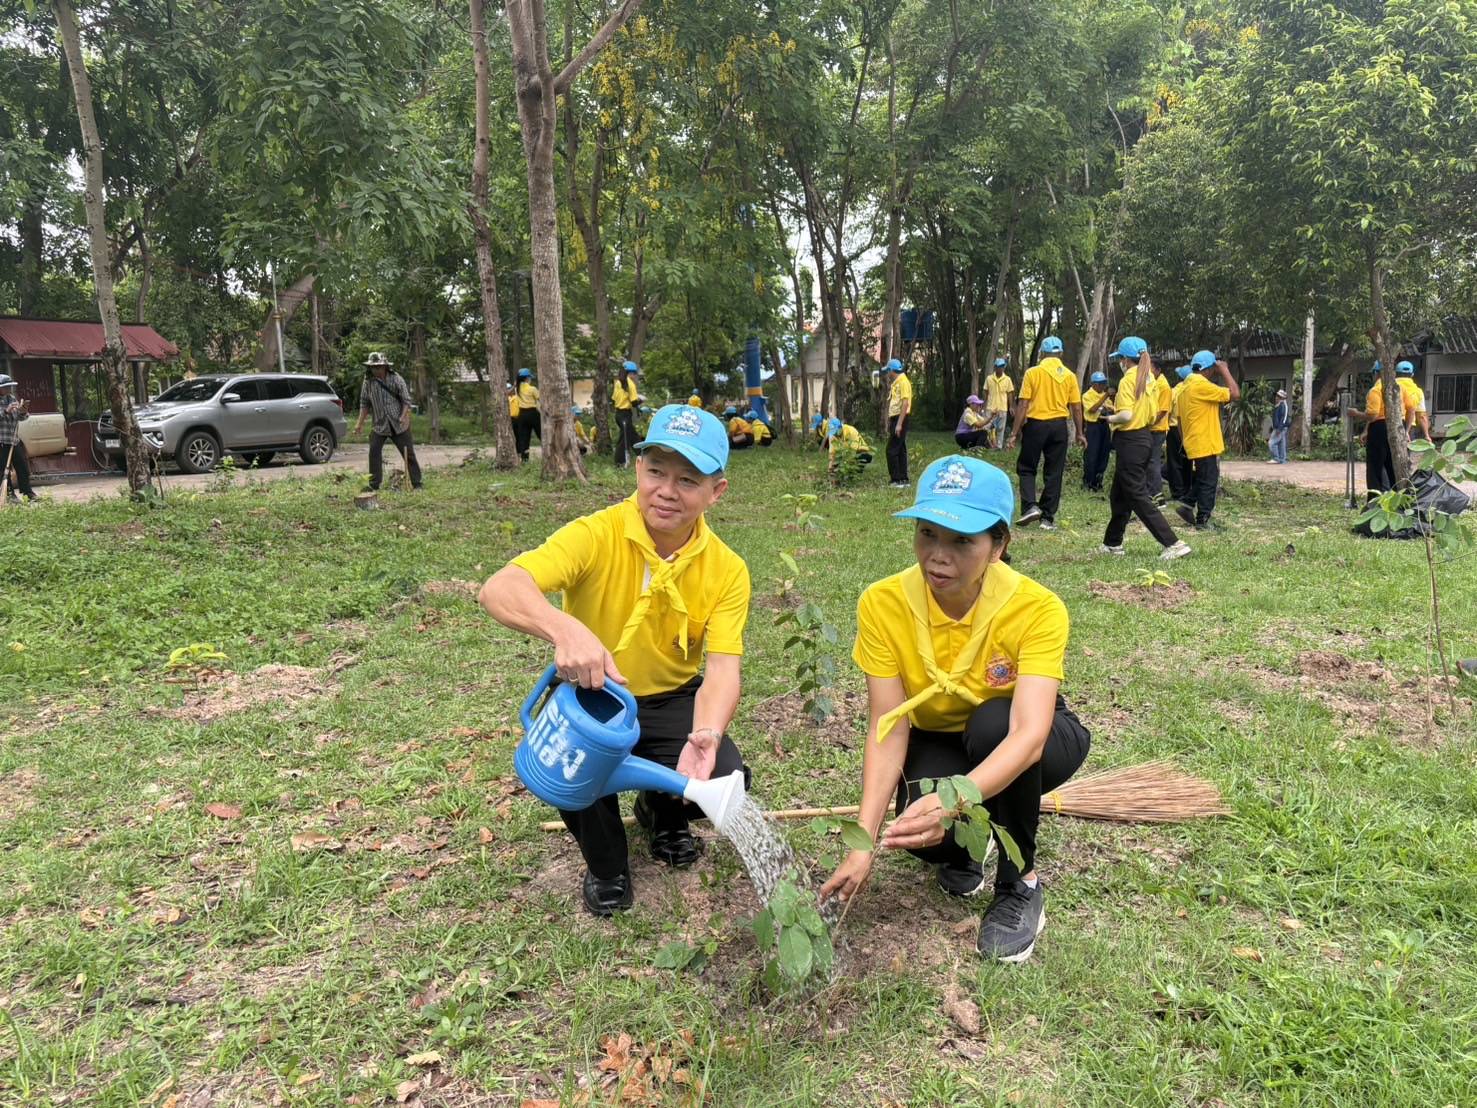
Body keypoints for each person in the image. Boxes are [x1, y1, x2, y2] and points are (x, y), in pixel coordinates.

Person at [479, 405, 750, 915]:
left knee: (721, 774)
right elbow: (500, 588)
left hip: (672, 698)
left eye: (688, 479)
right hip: (592, 698)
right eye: (655, 472)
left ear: (717, 492)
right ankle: (606, 865)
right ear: (637, 469)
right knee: (568, 767)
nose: (666, 491)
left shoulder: (727, 570)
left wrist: (708, 733)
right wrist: (564, 628)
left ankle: (662, 812)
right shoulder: (595, 535)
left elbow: (721, 670)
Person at [819, 455, 1090, 962]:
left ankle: (1021, 885)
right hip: (938, 735)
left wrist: (955, 799)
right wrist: (863, 841)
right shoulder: (882, 603)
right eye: (928, 534)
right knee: (923, 839)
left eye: (962, 541)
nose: (938, 557)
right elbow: (889, 725)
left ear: (999, 545)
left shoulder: (1037, 608)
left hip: (1031, 733)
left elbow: (1029, 735)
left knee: (993, 724)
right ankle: (969, 845)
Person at [1100, 338, 1190, 560]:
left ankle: (1173, 543)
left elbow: (1126, 415)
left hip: (1130, 439)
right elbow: (1151, 414)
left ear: (1124, 359)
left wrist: (1108, 418)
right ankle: (1113, 544)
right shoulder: (1150, 379)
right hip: (1144, 437)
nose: (1119, 363)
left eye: (1119, 359)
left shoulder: (1128, 381)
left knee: (1138, 494)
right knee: (1119, 495)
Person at [1005, 337, 1086, 531]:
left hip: (1036, 426)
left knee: (1026, 466)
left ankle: (1030, 506)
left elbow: (1023, 404)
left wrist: (1014, 433)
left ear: (1042, 353)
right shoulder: (1069, 375)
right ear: (1060, 354)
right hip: (1059, 427)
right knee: (1054, 471)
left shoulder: (1033, 373)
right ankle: (1047, 518)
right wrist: (1080, 433)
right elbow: (1076, 407)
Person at [1174, 350, 1239, 531]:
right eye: (1214, 370)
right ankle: (1203, 520)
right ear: (1209, 369)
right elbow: (1235, 394)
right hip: (1205, 441)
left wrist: (1186, 440)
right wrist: (1225, 370)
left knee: (1203, 478)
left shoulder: (1184, 388)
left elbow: (1179, 420)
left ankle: (1186, 504)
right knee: (1210, 480)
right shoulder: (1201, 385)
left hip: (1193, 441)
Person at [352, 352, 423, 492]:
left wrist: (403, 416)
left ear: (385, 366)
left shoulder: (396, 379)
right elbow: (364, 403)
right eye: (373, 367)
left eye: (378, 367)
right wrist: (359, 424)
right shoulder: (368, 382)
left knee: (408, 453)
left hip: (398, 423)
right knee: (374, 452)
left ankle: (417, 483)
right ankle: (374, 484)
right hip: (379, 424)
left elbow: (406, 401)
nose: (375, 370)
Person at [0, 375, 38, 502]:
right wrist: (6, 411)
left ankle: (28, 493)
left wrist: (23, 411)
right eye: (5, 387)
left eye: (9, 387)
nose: (8, 389)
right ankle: (10, 495)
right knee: (4, 469)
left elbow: (20, 418)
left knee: (22, 467)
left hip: (13, 440)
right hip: (1, 441)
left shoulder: (11, 398)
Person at [1164, 366, 1193, 502]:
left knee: (1174, 462)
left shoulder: (1174, 391)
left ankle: (1177, 492)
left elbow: (1167, 411)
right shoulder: (1192, 390)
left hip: (1175, 428)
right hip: (1190, 429)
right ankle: (1187, 490)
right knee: (1188, 460)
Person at [1080, 371, 1113, 492]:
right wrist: (1105, 398)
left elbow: (1111, 409)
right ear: (1093, 384)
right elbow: (1093, 409)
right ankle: (1088, 482)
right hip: (1093, 427)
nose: (1102, 386)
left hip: (1104, 426)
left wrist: (1107, 405)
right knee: (1091, 455)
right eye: (1100, 384)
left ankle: (1098, 482)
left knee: (1103, 454)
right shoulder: (1087, 395)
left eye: (1104, 383)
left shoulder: (1104, 394)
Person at [1145, 362, 1173, 502]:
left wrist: (1149, 422)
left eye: (1150, 369)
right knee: (1149, 461)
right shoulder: (1154, 384)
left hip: (1157, 429)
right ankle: (1150, 492)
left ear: (1157, 369)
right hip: (1152, 428)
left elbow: (1162, 411)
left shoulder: (1164, 386)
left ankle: (1156, 494)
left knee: (1153, 461)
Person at [884, 358, 912, 488]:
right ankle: (903, 479)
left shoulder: (903, 382)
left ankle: (895, 479)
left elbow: (905, 403)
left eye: (887, 371)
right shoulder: (898, 381)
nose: (887, 374)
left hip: (900, 418)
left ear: (891, 371)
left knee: (891, 450)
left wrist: (899, 424)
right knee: (900, 449)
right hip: (897, 418)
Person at [613, 360, 641, 467]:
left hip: (618, 414)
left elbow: (615, 398)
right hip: (625, 415)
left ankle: (642, 455)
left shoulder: (618, 383)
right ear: (631, 373)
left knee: (632, 436)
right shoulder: (630, 384)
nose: (634, 376)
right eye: (634, 374)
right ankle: (619, 463)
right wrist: (641, 400)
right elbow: (634, 402)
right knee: (624, 439)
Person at [1396, 361, 1431, 440]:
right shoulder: (1417, 391)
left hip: (1387, 424)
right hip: (1409, 426)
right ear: (1412, 375)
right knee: (1404, 452)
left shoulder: (1387, 387)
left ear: (1395, 373)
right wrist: (1427, 435)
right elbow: (1421, 416)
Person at [984, 359, 1015, 449]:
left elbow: (1010, 393)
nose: (1000, 369)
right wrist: (984, 404)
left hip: (1002, 407)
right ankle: (987, 444)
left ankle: (998, 446)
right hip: (991, 407)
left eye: (1002, 366)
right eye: (998, 367)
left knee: (1000, 428)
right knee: (987, 427)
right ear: (995, 367)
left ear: (1004, 367)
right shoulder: (989, 378)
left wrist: (1011, 407)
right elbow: (985, 392)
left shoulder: (1007, 379)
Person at [514, 368, 541, 461]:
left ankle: (525, 460)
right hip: (533, 413)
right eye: (530, 377)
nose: (531, 379)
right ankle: (550, 454)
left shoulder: (516, 389)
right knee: (542, 435)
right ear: (527, 378)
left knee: (524, 438)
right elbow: (540, 398)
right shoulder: (532, 389)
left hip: (522, 415)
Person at [1267, 388, 1291, 464]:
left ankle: (1276, 458)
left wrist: (1279, 429)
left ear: (1282, 398)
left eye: (1278, 396)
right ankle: (1282, 460)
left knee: (1271, 443)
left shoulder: (1283, 405)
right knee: (1281, 444)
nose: (1276, 397)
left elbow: (1284, 418)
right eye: (1277, 396)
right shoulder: (1278, 405)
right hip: (1278, 427)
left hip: (1281, 428)